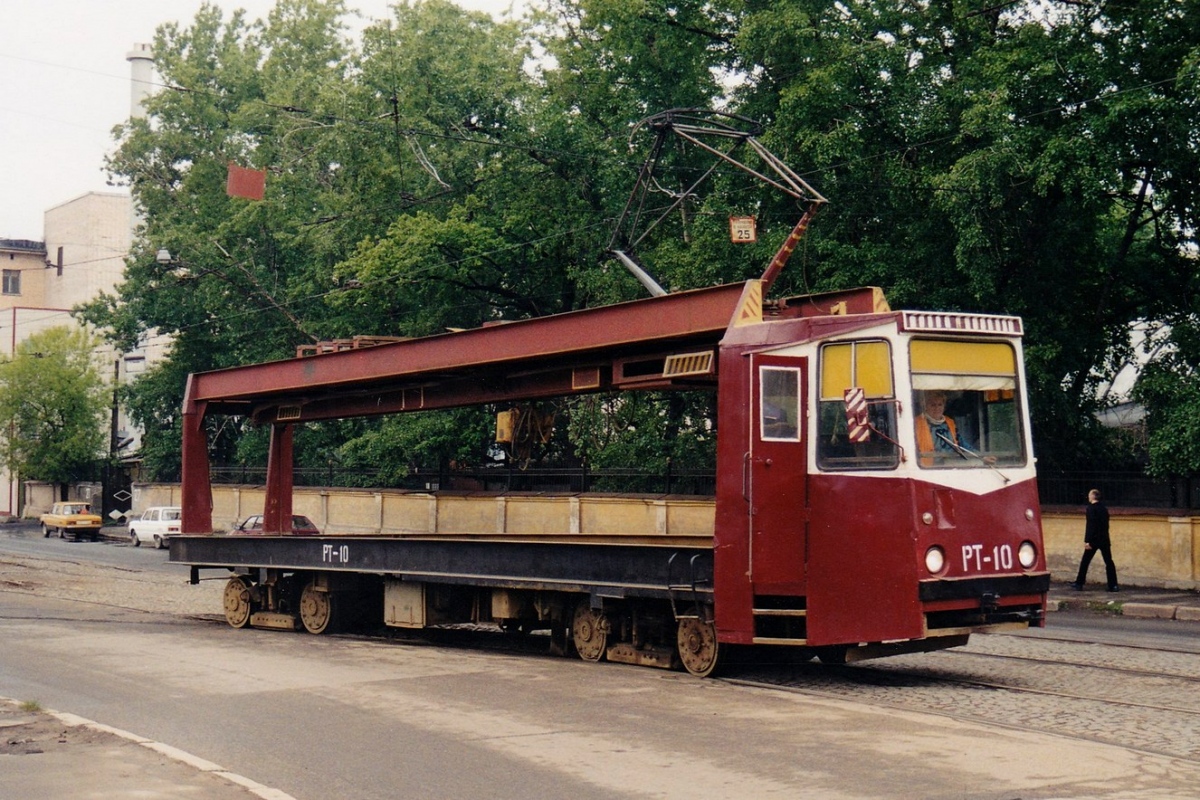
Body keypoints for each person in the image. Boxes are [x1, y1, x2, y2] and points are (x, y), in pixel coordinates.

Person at [1071, 489, 1119, 592]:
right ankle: (1113, 585)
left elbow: (1091, 525)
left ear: (1093, 496)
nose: (1088, 497)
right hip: (1104, 539)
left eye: (1089, 495)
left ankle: (1079, 583)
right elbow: (1105, 525)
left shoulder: (1091, 509)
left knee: (1085, 561)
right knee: (1109, 562)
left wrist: (1087, 540)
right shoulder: (1104, 509)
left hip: (1093, 540)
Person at [914, 390, 964, 465]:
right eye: (933, 405)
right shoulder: (916, 423)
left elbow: (962, 443)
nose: (937, 408)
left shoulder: (950, 422)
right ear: (925, 406)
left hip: (950, 465)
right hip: (926, 469)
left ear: (944, 406)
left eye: (940, 404)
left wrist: (980, 456)